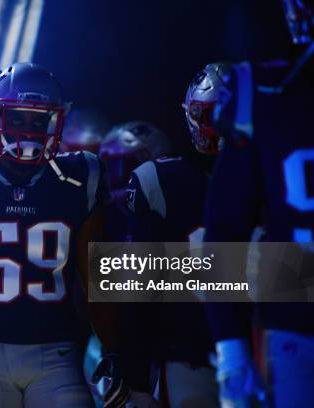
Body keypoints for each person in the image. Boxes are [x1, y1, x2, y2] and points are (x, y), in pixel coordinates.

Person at [0, 62, 118, 408]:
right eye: (16, 118)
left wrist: (116, 351)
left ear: (55, 121)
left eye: (38, 120)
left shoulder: (79, 177)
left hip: (57, 355)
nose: (28, 132)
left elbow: (98, 282)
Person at [204, 1, 314, 406]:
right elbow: (225, 232)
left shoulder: (261, 91)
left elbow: (223, 234)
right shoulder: (262, 92)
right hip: (298, 333)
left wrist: (232, 349)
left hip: (294, 328)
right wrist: (232, 348)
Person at [123, 65, 234, 407]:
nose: (220, 123)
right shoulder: (160, 180)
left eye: (229, 112)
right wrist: (134, 370)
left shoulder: (281, 172)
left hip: (271, 345)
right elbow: (137, 288)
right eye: (210, 113)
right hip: (190, 353)